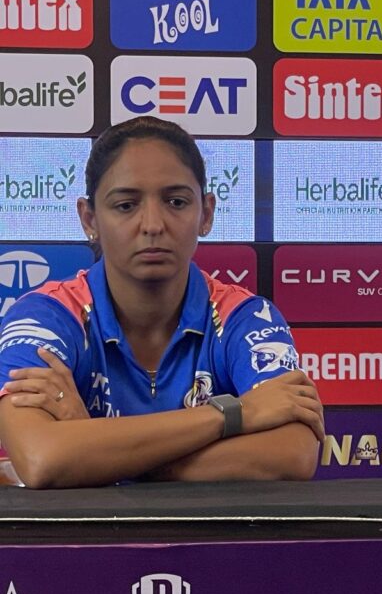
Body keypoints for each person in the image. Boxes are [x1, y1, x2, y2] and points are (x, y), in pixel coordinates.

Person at [0, 117, 324, 488]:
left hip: (213, 546)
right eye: (125, 205)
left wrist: (95, 448)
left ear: (205, 214)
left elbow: (293, 453)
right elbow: (43, 459)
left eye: (175, 202)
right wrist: (234, 414)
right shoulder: (46, 316)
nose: (153, 224)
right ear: (89, 219)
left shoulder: (246, 317)